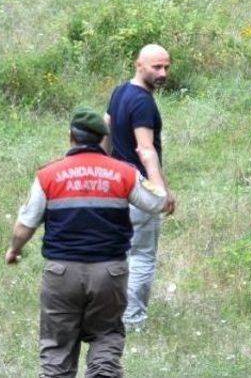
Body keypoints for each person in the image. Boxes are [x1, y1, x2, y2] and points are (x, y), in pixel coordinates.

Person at [5, 106, 167, 378]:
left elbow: (26, 224)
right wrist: (152, 166)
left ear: (71, 136)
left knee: (57, 351)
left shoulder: (48, 175)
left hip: (61, 273)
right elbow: (157, 202)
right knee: (106, 339)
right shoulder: (124, 173)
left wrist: (13, 250)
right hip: (110, 273)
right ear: (104, 138)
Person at [105, 44, 175, 328]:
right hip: (137, 188)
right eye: (156, 67)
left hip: (114, 186)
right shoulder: (143, 101)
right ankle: (132, 320)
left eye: (166, 67)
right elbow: (145, 149)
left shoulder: (119, 91)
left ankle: (108, 314)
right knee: (142, 255)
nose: (163, 73)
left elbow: (106, 128)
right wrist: (160, 192)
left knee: (117, 253)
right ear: (138, 65)